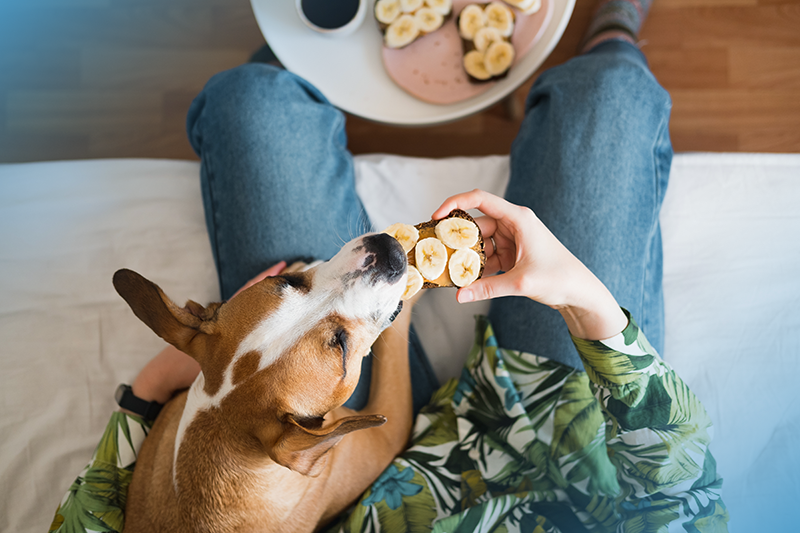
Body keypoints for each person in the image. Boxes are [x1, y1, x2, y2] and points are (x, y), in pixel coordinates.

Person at [49, 0, 730, 531]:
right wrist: (585, 300)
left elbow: (83, 521)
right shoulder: (301, 438)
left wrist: (147, 393)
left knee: (250, 101)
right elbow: (684, 500)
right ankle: (611, 28)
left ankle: (331, 45)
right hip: (564, 427)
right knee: (604, 97)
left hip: (348, 455)